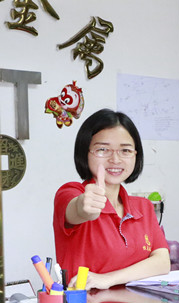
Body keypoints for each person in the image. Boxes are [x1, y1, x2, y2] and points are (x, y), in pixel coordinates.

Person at [53, 108, 170, 290]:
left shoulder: (144, 207)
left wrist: (107, 279)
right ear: (85, 152)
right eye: (103, 149)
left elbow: (162, 262)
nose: (115, 159)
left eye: (125, 150)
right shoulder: (71, 193)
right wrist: (85, 207)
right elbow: (78, 209)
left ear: (135, 155)